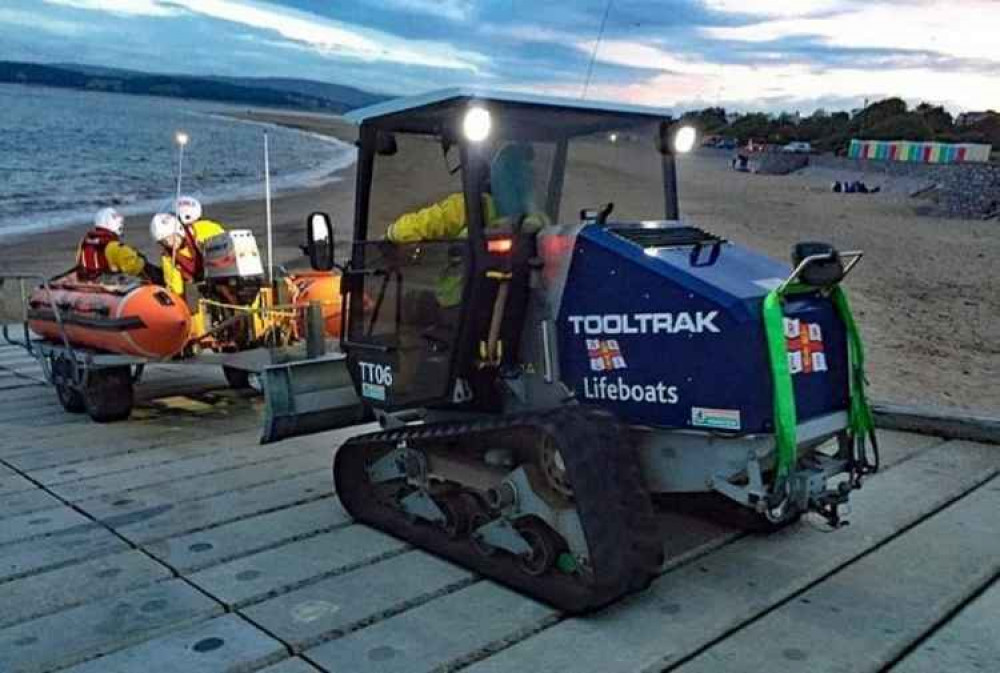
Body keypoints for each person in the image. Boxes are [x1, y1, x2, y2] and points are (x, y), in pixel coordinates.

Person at [150, 201, 224, 295]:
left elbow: (227, 240)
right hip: (201, 284)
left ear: (179, 231)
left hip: (221, 269)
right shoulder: (169, 258)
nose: (170, 243)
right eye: (164, 241)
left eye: (172, 237)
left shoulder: (203, 230)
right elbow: (176, 289)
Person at [76, 207, 147, 280]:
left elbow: (79, 261)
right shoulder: (113, 245)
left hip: (86, 277)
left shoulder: (86, 240)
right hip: (106, 281)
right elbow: (132, 267)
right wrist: (142, 260)